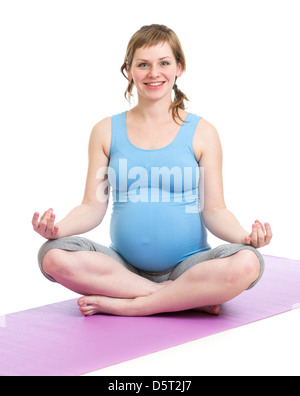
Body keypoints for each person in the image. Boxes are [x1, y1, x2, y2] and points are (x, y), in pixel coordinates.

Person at [32, 24, 272, 317]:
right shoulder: (105, 131)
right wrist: (58, 230)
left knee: (248, 262)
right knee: (52, 256)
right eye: (143, 64)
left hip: (189, 266)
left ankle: (133, 305)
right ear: (128, 70)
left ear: (179, 68)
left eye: (164, 63)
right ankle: (180, 297)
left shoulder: (202, 132)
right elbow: (92, 206)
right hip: (121, 267)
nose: (153, 73)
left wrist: (244, 237)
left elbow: (215, 210)